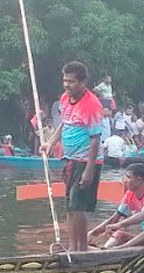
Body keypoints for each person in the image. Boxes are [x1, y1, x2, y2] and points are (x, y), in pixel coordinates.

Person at [40, 61, 104, 252]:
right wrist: (50, 143)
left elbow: (95, 139)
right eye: (65, 80)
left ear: (83, 82)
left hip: (86, 161)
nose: (67, 85)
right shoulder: (65, 99)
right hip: (70, 159)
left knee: (78, 205)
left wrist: (89, 171)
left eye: (71, 81)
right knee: (70, 204)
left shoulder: (92, 104)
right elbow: (64, 124)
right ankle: (72, 246)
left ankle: (81, 249)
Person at [89, 163, 144, 249]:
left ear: (139, 180)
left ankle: (121, 248)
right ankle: (106, 251)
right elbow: (115, 218)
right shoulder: (130, 194)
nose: (125, 180)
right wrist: (94, 233)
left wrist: (119, 224)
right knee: (119, 234)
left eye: (128, 177)